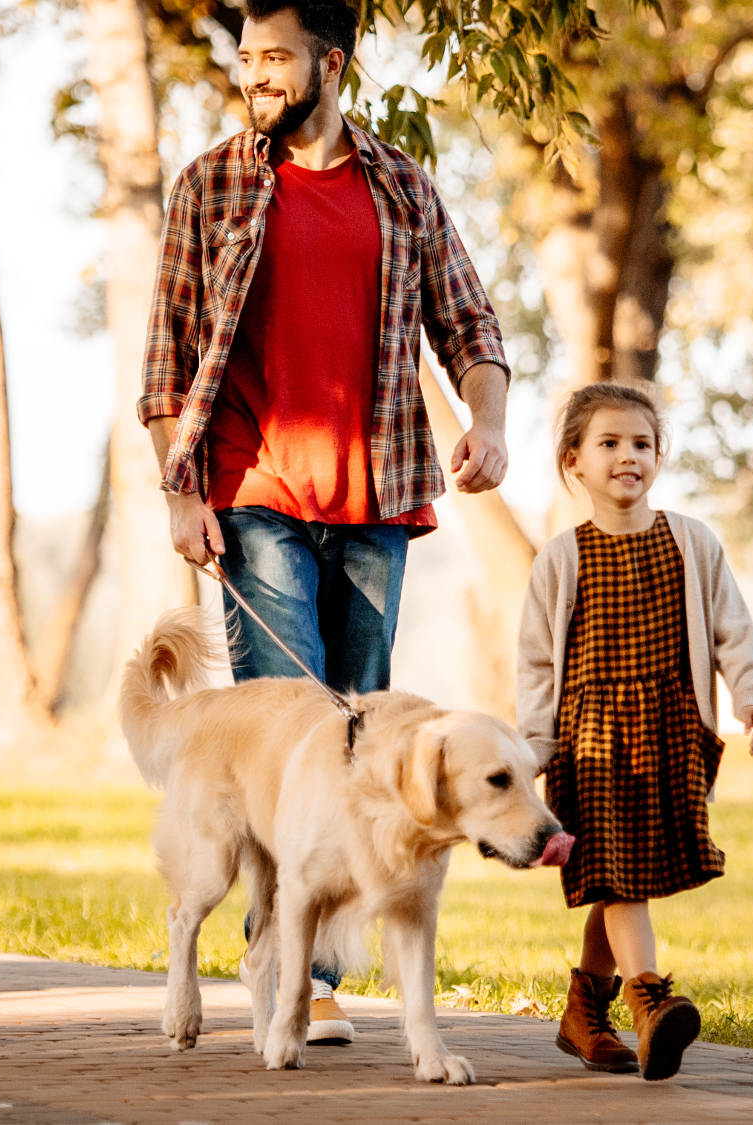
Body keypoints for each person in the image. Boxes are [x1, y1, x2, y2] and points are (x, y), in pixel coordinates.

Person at [138, 0, 510, 1045]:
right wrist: (178, 491)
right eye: (246, 57)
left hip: (379, 502)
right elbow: (164, 358)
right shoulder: (209, 184)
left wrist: (487, 423)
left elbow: (468, 320)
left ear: (330, 63)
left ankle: (296, 958)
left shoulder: (401, 187)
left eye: (274, 57)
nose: (255, 73)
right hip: (253, 493)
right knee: (295, 732)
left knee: (358, 736)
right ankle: (301, 974)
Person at [515, 383, 753, 1081]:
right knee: (620, 872)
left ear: (659, 456)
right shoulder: (559, 559)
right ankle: (651, 1002)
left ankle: (582, 1014)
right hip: (589, 742)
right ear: (574, 461)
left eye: (641, 443)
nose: (627, 455)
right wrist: (533, 750)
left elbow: (732, 627)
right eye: (609, 442)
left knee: (621, 873)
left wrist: (750, 696)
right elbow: (537, 665)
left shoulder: (692, 542)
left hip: (670, 732)